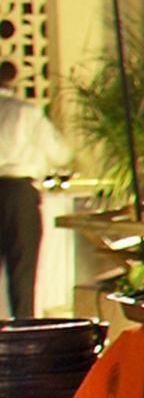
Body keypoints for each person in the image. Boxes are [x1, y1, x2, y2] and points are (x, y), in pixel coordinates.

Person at [0, 66, 74, 319]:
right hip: (18, 191)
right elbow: (60, 153)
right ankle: (23, 331)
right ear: (13, 80)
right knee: (22, 268)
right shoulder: (25, 112)